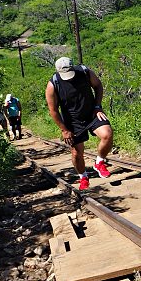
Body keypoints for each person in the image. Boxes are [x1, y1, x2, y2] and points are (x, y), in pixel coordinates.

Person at [45, 56, 114, 190]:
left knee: (107, 134)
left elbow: (98, 85)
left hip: (92, 114)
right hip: (72, 121)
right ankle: (83, 176)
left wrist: (97, 106)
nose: (69, 77)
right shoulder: (53, 84)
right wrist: (64, 130)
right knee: (77, 153)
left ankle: (99, 162)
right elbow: (53, 110)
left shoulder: (84, 72)